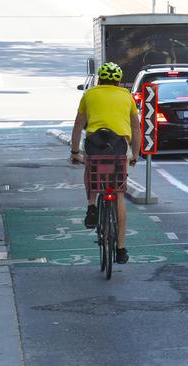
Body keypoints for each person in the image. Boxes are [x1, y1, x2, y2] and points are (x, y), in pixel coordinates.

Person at [70, 62, 141, 264]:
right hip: (119, 147)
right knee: (118, 195)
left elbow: (78, 125)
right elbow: (136, 128)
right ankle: (120, 248)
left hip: (95, 144)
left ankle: (92, 205)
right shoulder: (126, 97)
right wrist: (135, 154)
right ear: (118, 81)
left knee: (91, 169)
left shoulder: (89, 95)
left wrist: (75, 152)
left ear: (100, 79)